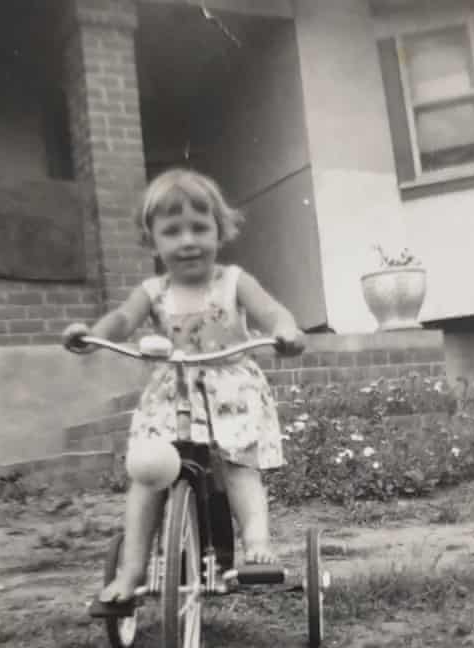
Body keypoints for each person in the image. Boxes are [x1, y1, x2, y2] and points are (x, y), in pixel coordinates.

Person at [63, 168, 305, 613]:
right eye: (172, 232)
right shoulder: (153, 291)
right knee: (148, 474)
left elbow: (272, 313)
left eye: (199, 228)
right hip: (172, 390)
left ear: (220, 230)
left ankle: (256, 544)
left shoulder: (234, 281)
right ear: (152, 241)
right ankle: (132, 569)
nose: (188, 241)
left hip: (230, 389)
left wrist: (285, 332)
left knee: (239, 465)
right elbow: (122, 320)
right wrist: (93, 334)